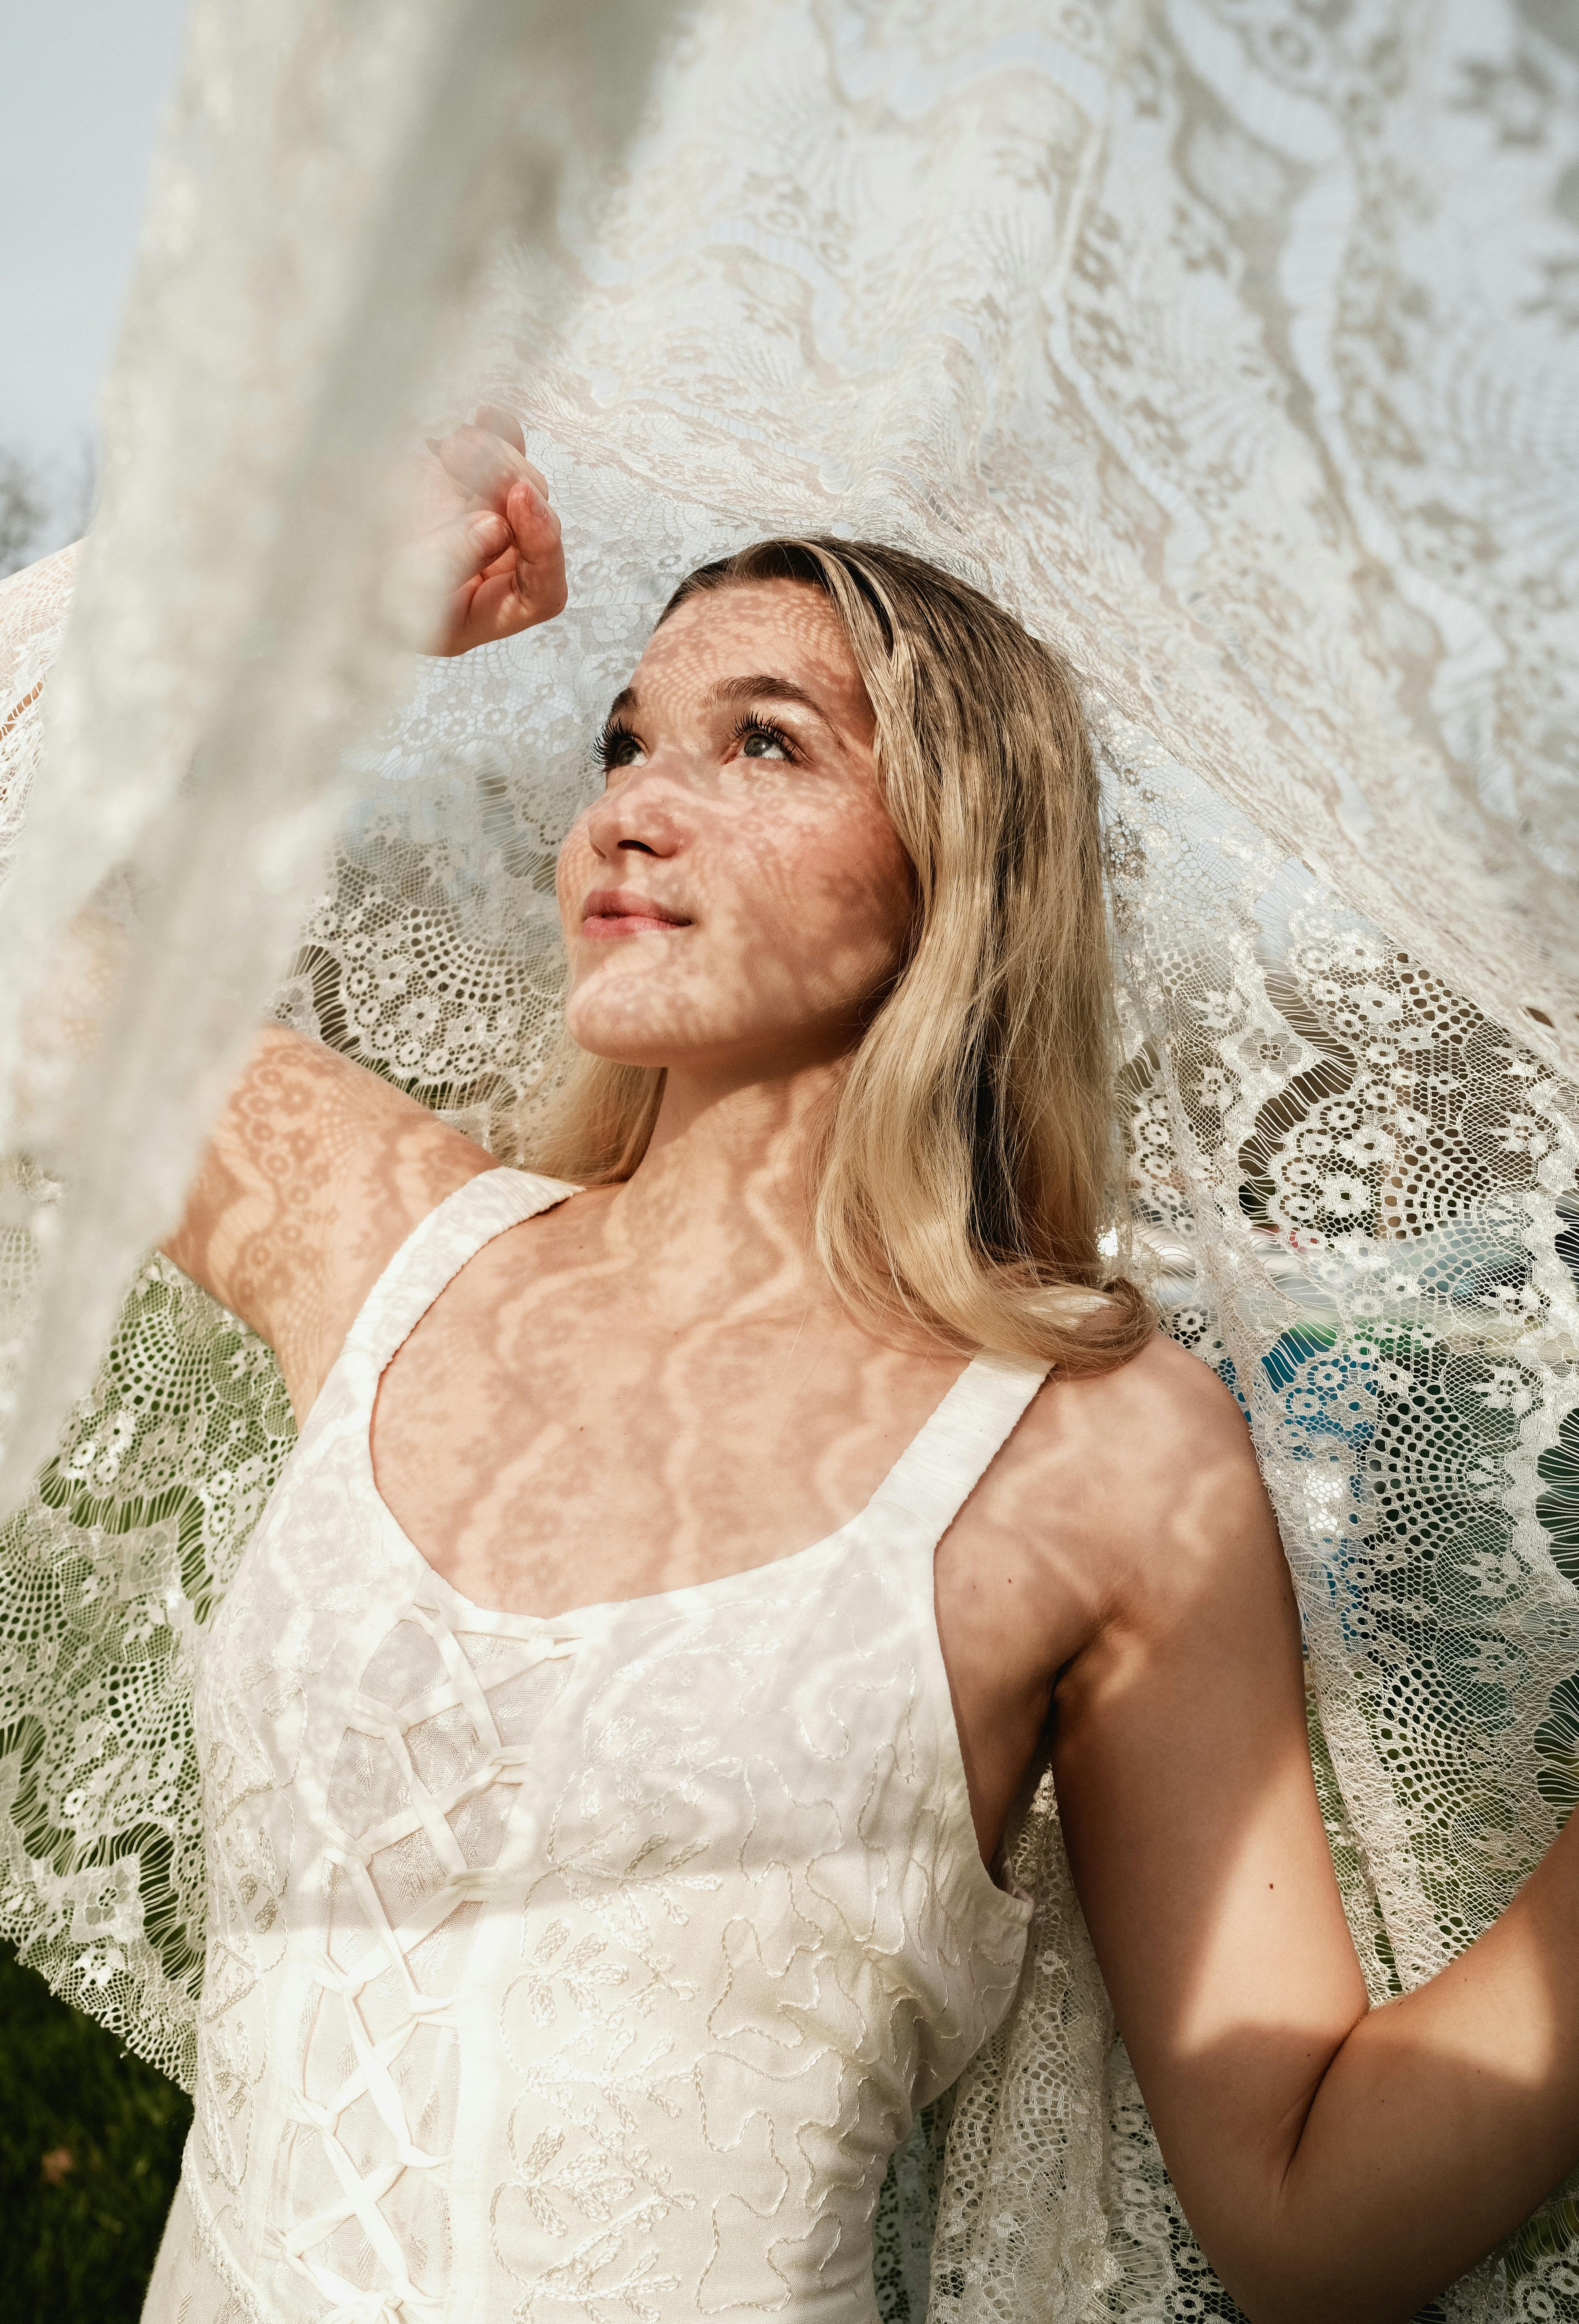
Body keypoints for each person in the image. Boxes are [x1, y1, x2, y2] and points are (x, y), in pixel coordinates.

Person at [136, 408, 1579, 2324]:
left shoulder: (1094, 1456)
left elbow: (1300, 2205)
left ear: (958, 858)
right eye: (624, 740)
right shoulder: (380, 1239)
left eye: (762, 741)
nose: (633, 808)